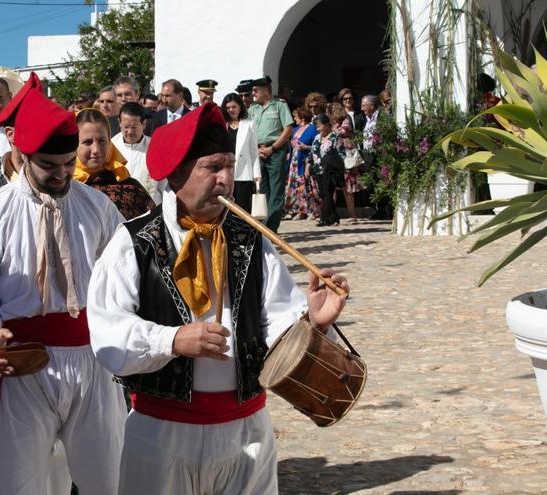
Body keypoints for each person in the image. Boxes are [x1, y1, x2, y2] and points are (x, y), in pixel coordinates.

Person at [87, 102, 350, 494]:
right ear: (177, 174)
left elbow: (274, 322)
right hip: (162, 435)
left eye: (229, 165)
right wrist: (172, 340)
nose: (227, 179)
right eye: (213, 167)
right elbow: (108, 330)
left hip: (246, 432)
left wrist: (312, 322)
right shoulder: (133, 242)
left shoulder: (252, 238)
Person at [0, 83, 127, 495]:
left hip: (92, 361)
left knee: (109, 480)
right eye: (50, 165)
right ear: (24, 157)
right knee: (20, 484)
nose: (63, 173)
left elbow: (126, 280)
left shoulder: (98, 207)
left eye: (69, 163)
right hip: (23, 367)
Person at [75, 108, 154, 219]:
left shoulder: (131, 188)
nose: (96, 149)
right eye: (87, 142)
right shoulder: (63, 190)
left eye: (102, 141)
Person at [249, 75, 293, 232]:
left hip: (275, 152)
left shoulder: (279, 105)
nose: (253, 93)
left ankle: (270, 228)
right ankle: (265, 226)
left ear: (266, 90)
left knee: (276, 191)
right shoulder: (252, 109)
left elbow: (288, 129)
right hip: (258, 152)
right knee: (263, 191)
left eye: (256, 90)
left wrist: (272, 148)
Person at [112, 101, 164, 204]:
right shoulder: (111, 147)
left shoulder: (156, 148)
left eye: (134, 127)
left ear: (143, 124)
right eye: (126, 127)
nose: (130, 132)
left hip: (151, 210)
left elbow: (165, 186)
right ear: (119, 122)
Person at [221, 92, 261, 211]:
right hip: (226, 172)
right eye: (228, 107)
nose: (231, 110)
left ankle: (244, 230)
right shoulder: (222, 125)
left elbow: (254, 150)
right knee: (227, 209)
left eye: (234, 107)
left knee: (243, 207)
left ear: (240, 107)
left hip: (244, 172)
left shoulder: (249, 124)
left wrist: (257, 173)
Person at [284, 107, 320, 220]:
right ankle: (301, 210)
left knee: (307, 186)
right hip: (294, 163)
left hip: (305, 162)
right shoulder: (295, 129)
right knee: (297, 188)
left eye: (296, 116)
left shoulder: (312, 129)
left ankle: (314, 210)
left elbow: (317, 145)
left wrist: (306, 147)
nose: (294, 119)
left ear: (302, 117)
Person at [312, 113, 342, 226]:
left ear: (326, 124)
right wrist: (308, 165)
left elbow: (341, 153)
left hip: (330, 170)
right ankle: (334, 217)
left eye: (319, 125)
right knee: (323, 194)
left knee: (327, 193)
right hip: (318, 169)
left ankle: (324, 218)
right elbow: (312, 153)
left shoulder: (335, 137)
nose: (317, 128)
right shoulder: (317, 137)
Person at [335, 114, 362, 222]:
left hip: (346, 158)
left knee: (348, 188)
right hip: (336, 158)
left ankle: (352, 214)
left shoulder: (344, 122)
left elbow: (342, 132)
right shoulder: (333, 124)